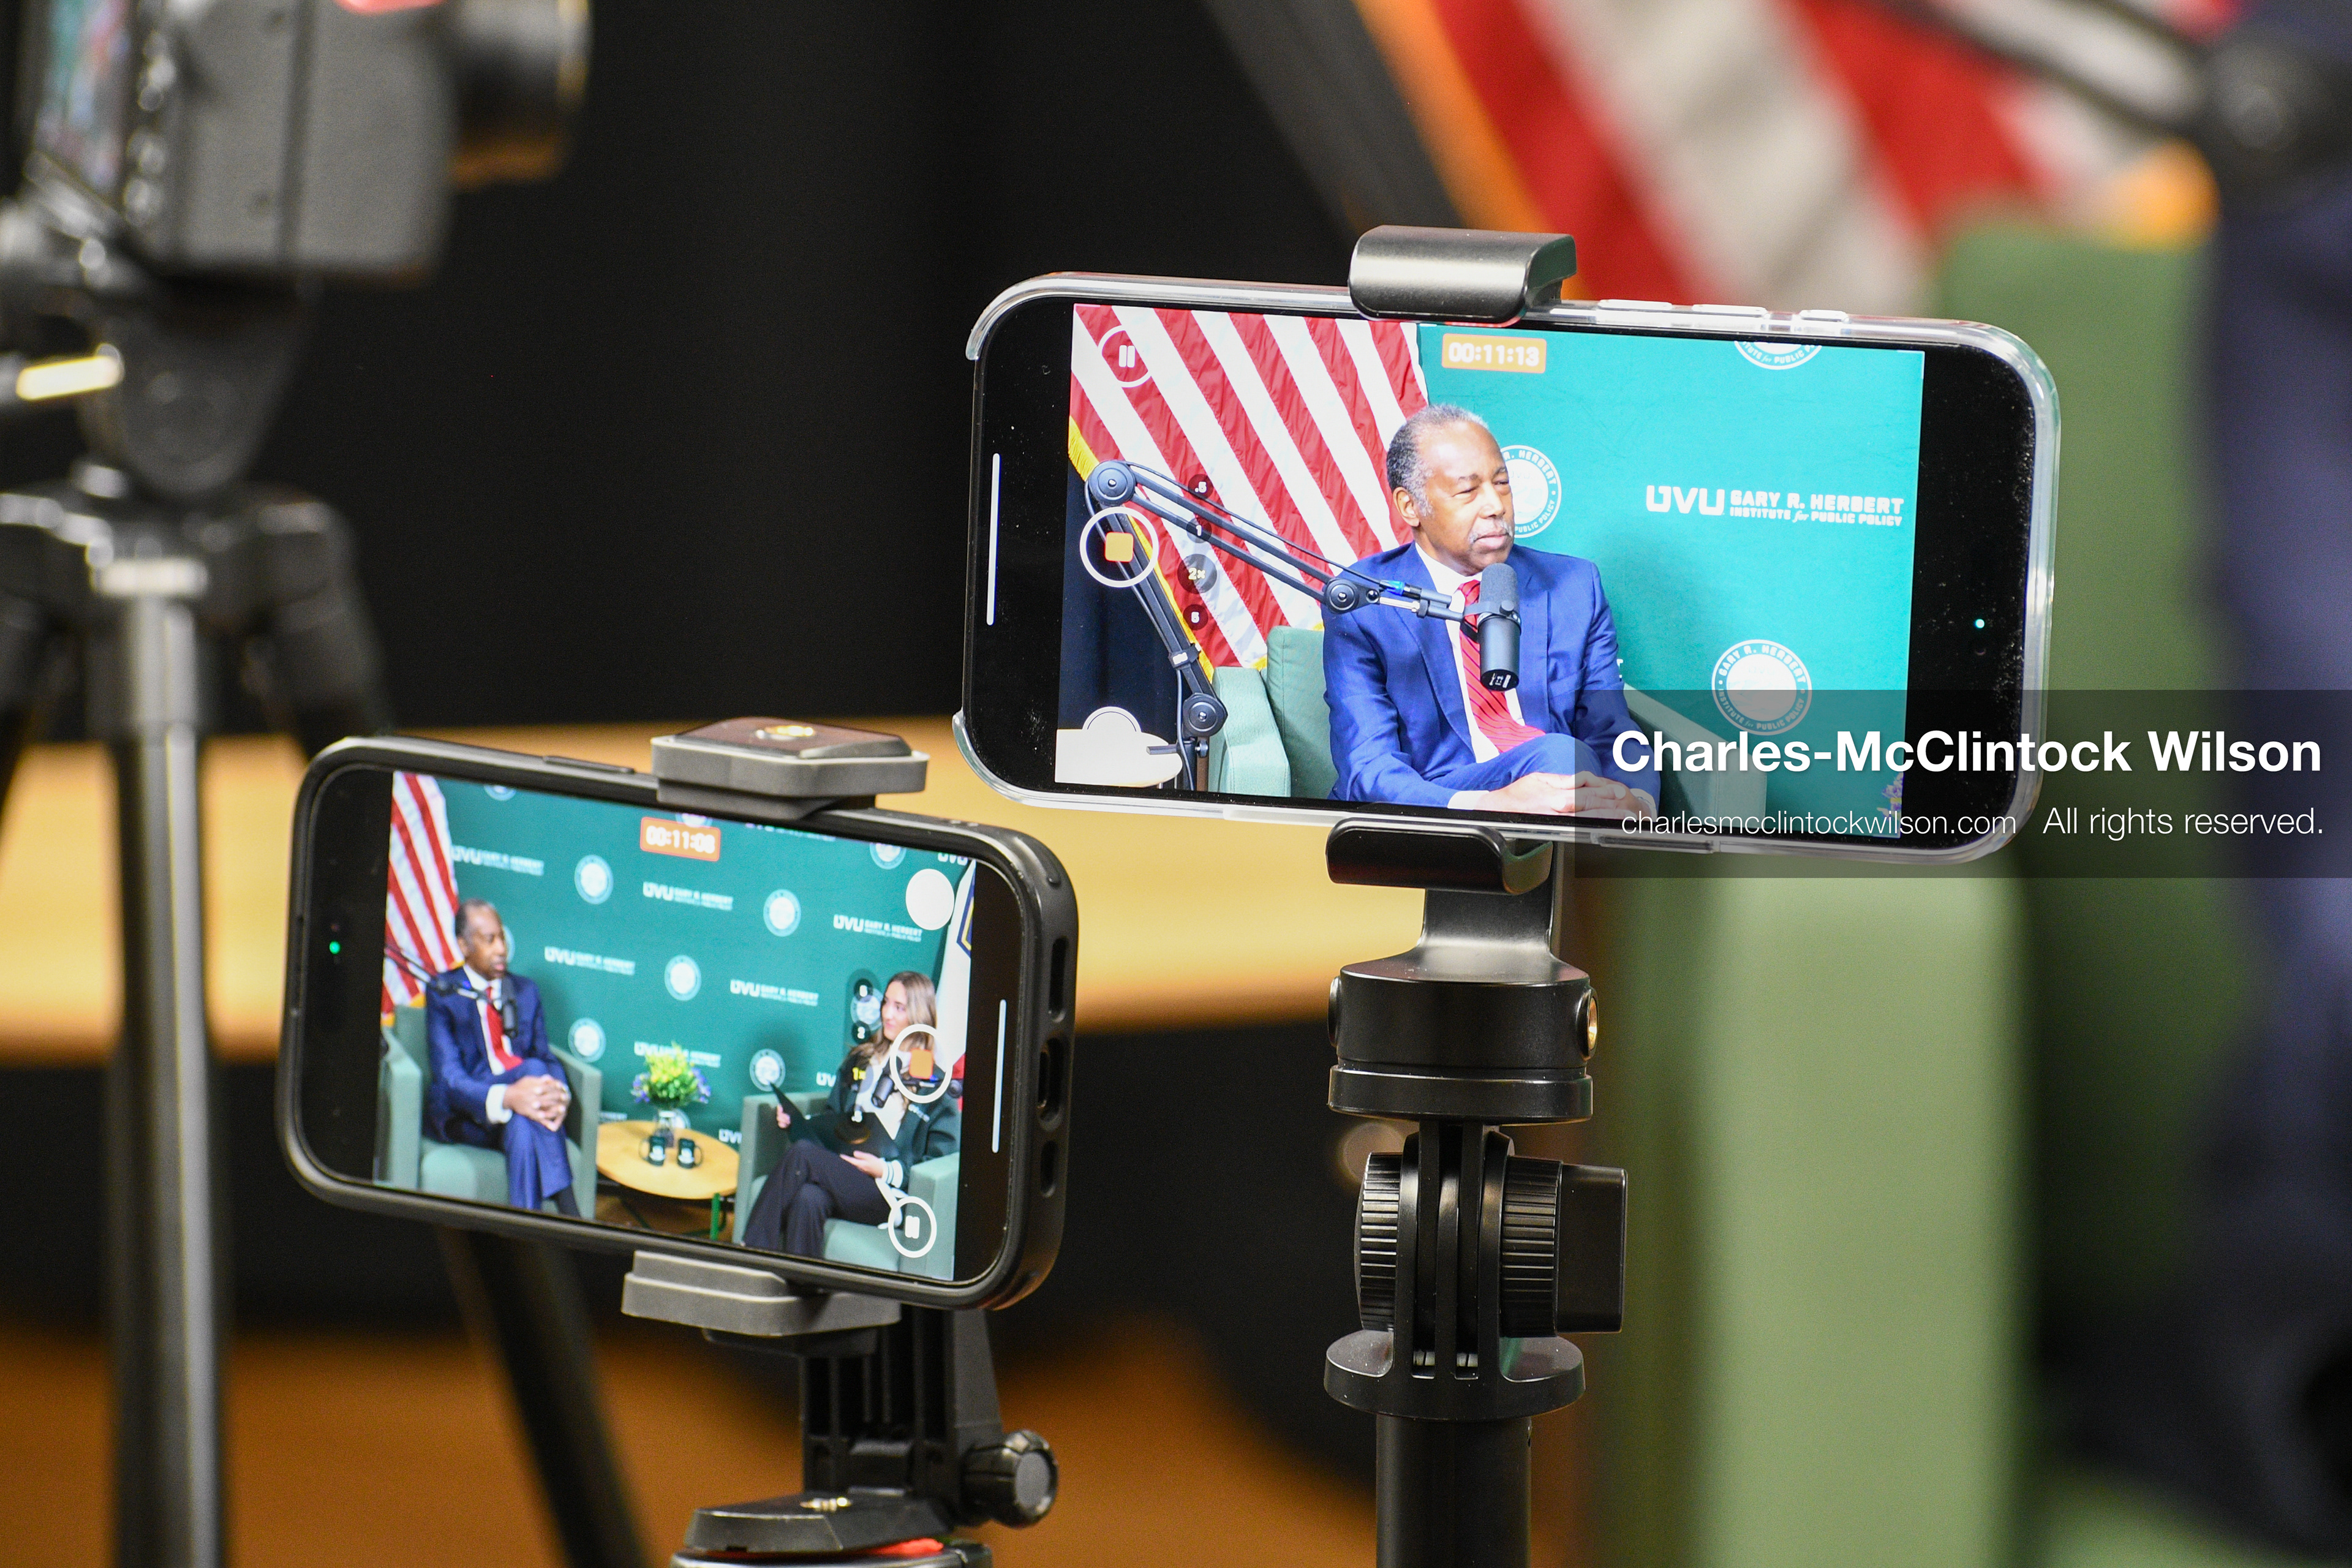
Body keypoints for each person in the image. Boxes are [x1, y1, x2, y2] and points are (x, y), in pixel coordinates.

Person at [1323, 402, 1658, 816]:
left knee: (1567, 766)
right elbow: (1368, 766)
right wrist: (1493, 803)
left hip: (1562, 789)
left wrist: (1639, 803)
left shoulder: (1574, 587)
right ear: (1410, 506)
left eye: (1502, 484)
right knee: (1560, 758)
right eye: (1468, 491)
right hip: (1430, 805)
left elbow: (1610, 728)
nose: (1495, 506)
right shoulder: (1365, 599)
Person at [742, 970, 961, 1259]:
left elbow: (940, 1160)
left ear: (919, 1015)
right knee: (809, 1198)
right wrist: (798, 1124)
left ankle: (750, 1252)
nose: (887, 1014)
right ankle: (802, 1289)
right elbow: (833, 1118)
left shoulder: (936, 1084)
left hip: (887, 1194)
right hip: (840, 1169)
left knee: (804, 1154)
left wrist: (886, 1170)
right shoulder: (862, 1059)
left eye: (899, 1008)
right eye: (886, 1004)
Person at [423, 897, 579, 1216]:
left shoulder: (525, 991)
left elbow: (545, 1057)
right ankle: (570, 1211)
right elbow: (450, 1079)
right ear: (464, 945)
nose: (501, 949)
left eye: (502, 938)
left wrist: (558, 1093)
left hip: (520, 1111)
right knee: (531, 1072)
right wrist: (509, 1097)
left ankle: (524, 1229)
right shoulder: (443, 991)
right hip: (468, 1112)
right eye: (489, 940)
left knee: (523, 1122)